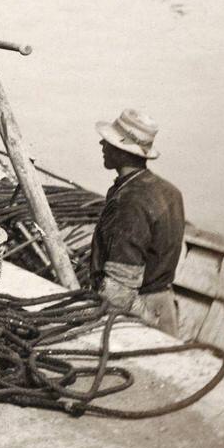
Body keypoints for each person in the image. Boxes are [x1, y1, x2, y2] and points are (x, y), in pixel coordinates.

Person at [90, 109, 185, 335]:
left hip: (139, 317)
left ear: (123, 151)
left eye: (108, 142)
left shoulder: (130, 201)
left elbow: (119, 289)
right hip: (164, 310)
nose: (102, 144)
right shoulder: (170, 191)